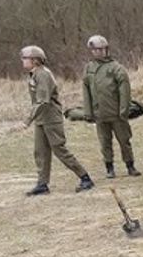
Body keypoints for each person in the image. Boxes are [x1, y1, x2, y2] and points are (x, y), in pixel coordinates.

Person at [20, 45, 95, 196]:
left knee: (60, 150)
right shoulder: (34, 74)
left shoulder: (43, 75)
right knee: (40, 152)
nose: (23, 61)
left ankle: (85, 177)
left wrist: (27, 120)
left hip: (51, 119)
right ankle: (42, 184)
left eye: (25, 58)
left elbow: (43, 101)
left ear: (35, 60)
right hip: (41, 119)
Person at [82, 35, 139, 179]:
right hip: (99, 113)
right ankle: (109, 167)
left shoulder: (116, 68)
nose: (97, 52)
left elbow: (124, 91)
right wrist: (88, 112)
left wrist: (123, 110)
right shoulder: (89, 68)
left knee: (124, 140)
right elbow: (86, 90)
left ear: (106, 49)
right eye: (94, 50)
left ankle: (130, 166)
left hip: (116, 112)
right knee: (104, 143)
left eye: (100, 49)